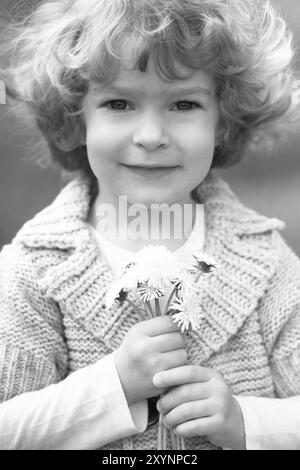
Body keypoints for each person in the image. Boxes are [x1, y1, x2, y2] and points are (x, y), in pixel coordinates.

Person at [0, 0, 300, 451]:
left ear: (223, 120)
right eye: (119, 103)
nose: (151, 135)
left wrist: (246, 422)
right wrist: (112, 387)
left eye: (184, 103)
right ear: (75, 119)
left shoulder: (265, 261)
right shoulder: (35, 270)